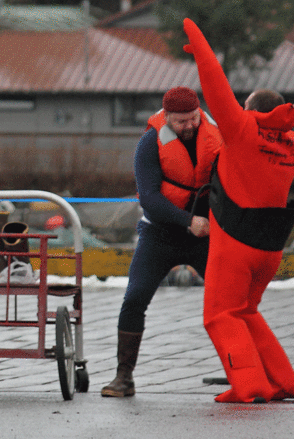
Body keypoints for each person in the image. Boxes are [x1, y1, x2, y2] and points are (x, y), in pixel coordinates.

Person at [182, 17, 294, 403]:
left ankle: (249, 387)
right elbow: (274, 126)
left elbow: (216, 87)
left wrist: (201, 49)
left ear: (249, 110)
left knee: (220, 315)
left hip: (235, 242)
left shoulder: (242, 130)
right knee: (247, 312)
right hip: (270, 247)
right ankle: (283, 382)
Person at [101, 86, 224, 398]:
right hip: (159, 234)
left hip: (207, 236)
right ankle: (123, 376)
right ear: (166, 117)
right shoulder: (149, 143)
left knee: (229, 302)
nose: (189, 126)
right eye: (180, 122)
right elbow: (150, 199)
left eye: (193, 119)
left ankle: (242, 369)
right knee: (134, 299)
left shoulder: (217, 137)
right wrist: (188, 221)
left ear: (200, 113)